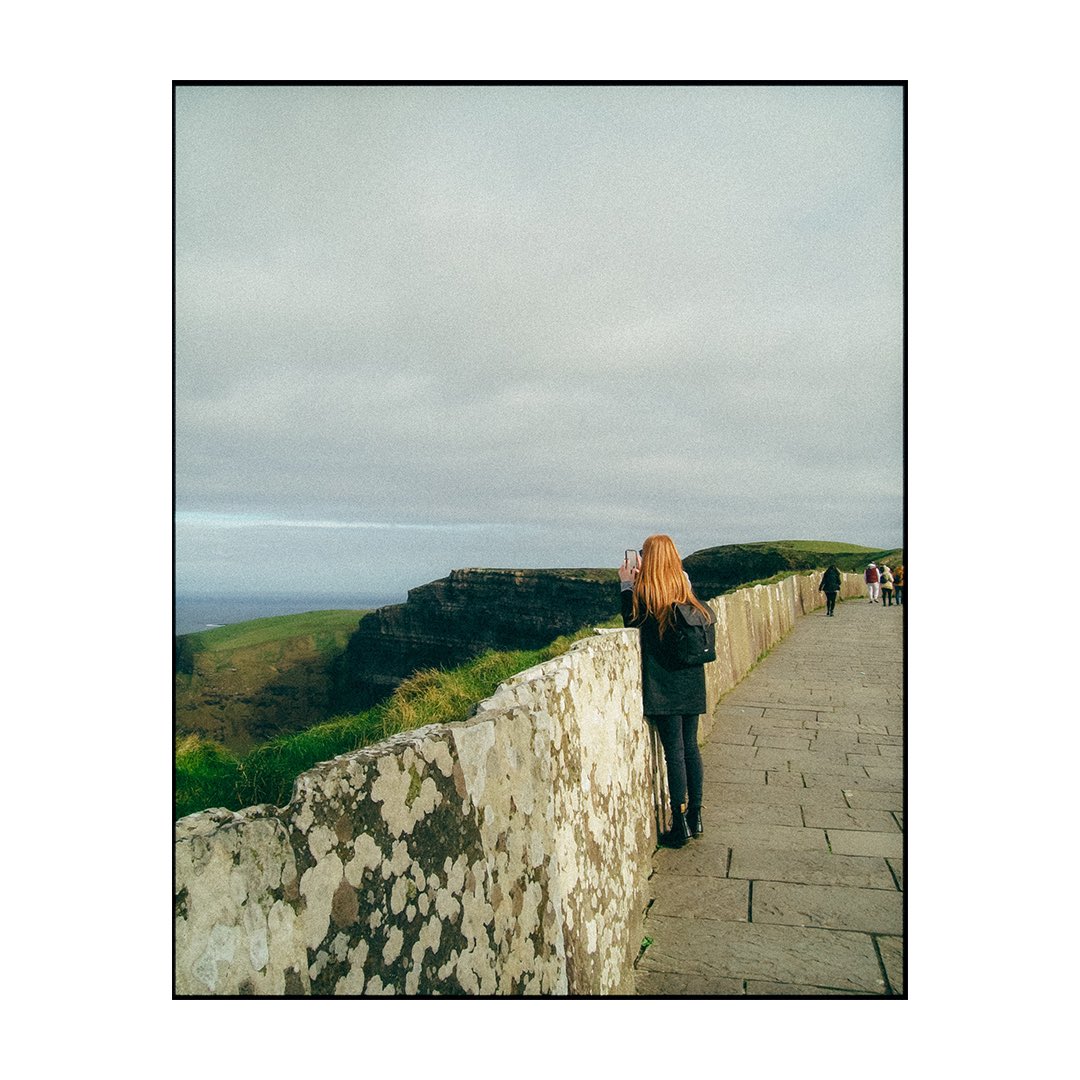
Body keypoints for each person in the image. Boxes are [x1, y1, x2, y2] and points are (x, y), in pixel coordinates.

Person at [619, 534, 711, 849]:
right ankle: (696, 816)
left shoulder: (647, 593)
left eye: (644, 553)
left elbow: (631, 623)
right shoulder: (685, 589)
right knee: (691, 748)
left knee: (674, 753)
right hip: (692, 679)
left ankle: (679, 822)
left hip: (665, 682)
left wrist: (625, 585)